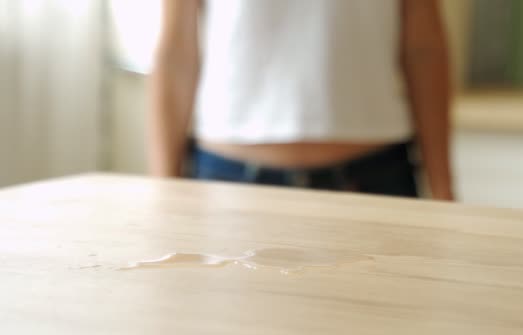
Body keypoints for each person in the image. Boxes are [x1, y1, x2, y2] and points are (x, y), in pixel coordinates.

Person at [149, 0, 453, 200]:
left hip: (373, 178)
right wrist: (164, 192)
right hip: (226, 185)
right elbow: (178, 53)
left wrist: (443, 189)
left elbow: (423, 50)